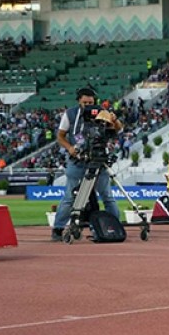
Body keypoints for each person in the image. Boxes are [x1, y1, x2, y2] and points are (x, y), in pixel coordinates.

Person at [51, 88, 123, 242]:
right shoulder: (70, 114)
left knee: (107, 196)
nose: (88, 105)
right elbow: (60, 136)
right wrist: (70, 148)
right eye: (85, 102)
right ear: (79, 101)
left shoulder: (102, 112)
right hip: (77, 160)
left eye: (90, 102)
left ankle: (115, 227)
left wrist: (114, 119)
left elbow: (118, 129)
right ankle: (58, 228)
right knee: (70, 196)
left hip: (98, 159)